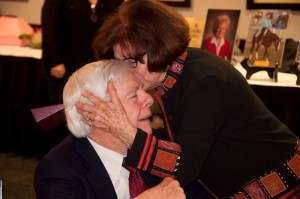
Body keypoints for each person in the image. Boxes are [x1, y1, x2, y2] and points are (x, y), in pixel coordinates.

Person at [75, 0, 300, 198]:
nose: (128, 71)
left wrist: (124, 131)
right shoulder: (174, 74)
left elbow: (184, 167)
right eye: (122, 63)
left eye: (133, 62)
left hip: (281, 178)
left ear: (158, 48)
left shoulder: (206, 79)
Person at [34, 59, 186, 199]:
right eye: (134, 95)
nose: (149, 99)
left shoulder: (155, 144)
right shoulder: (59, 170)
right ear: (95, 114)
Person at [41, 0, 123, 104]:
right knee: (63, 111)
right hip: (64, 68)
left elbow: (118, 30)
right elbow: (49, 27)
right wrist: (53, 61)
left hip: (98, 71)